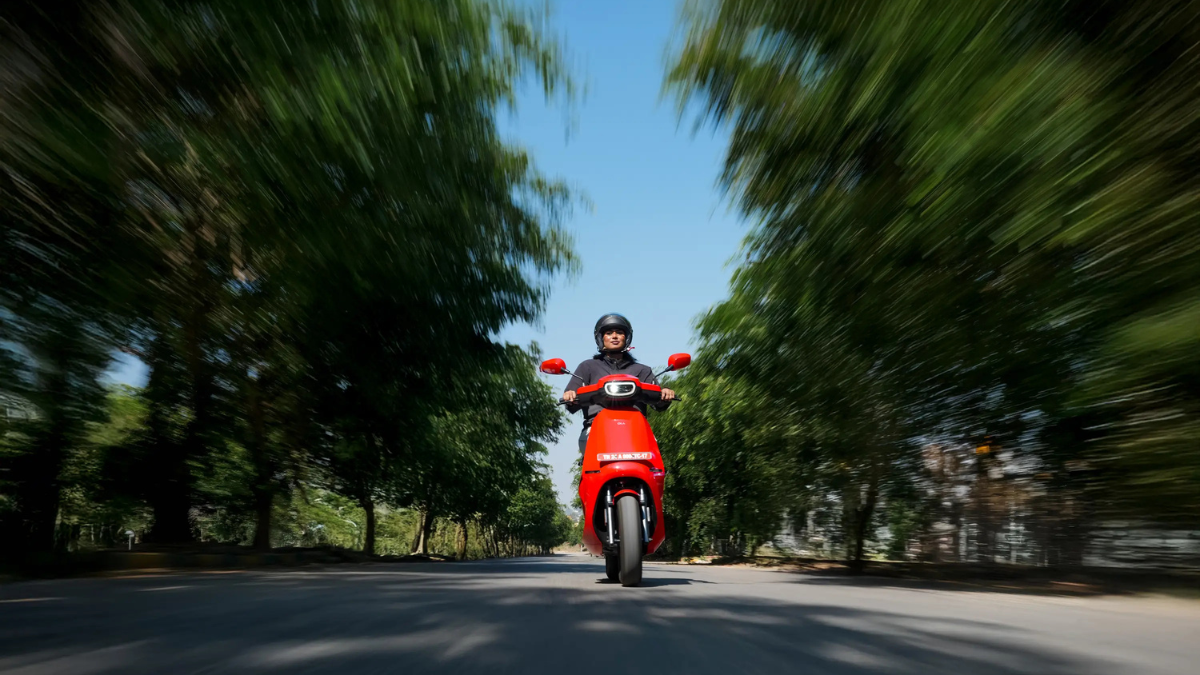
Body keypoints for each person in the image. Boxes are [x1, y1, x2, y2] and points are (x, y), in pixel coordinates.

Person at [562, 313, 675, 455]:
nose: (614, 336)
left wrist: (664, 394)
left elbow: (658, 404)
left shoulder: (642, 370)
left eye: (619, 333)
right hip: (596, 428)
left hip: (637, 429)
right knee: (591, 469)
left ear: (626, 338)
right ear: (600, 338)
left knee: (654, 465)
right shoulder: (587, 367)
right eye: (609, 333)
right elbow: (570, 400)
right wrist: (570, 395)